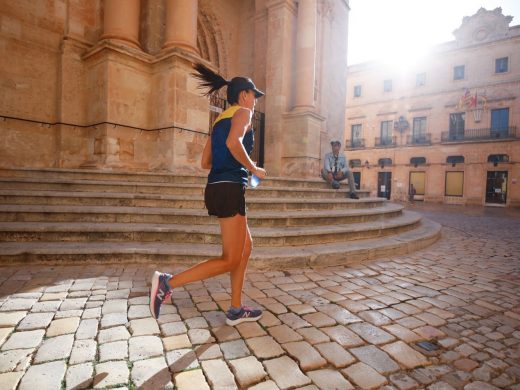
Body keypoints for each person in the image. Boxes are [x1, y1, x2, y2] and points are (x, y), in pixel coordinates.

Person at [149, 63, 267, 326]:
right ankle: (167, 283)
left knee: (245, 248)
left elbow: (205, 162)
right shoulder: (244, 114)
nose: (255, 102)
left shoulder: (220, 120)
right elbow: (232, 143)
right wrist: (252, 167)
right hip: (228, 188)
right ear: (244, 95)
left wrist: (230, 164)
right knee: (230, 258)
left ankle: (236, 309)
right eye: (254, 95)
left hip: (217, 187)